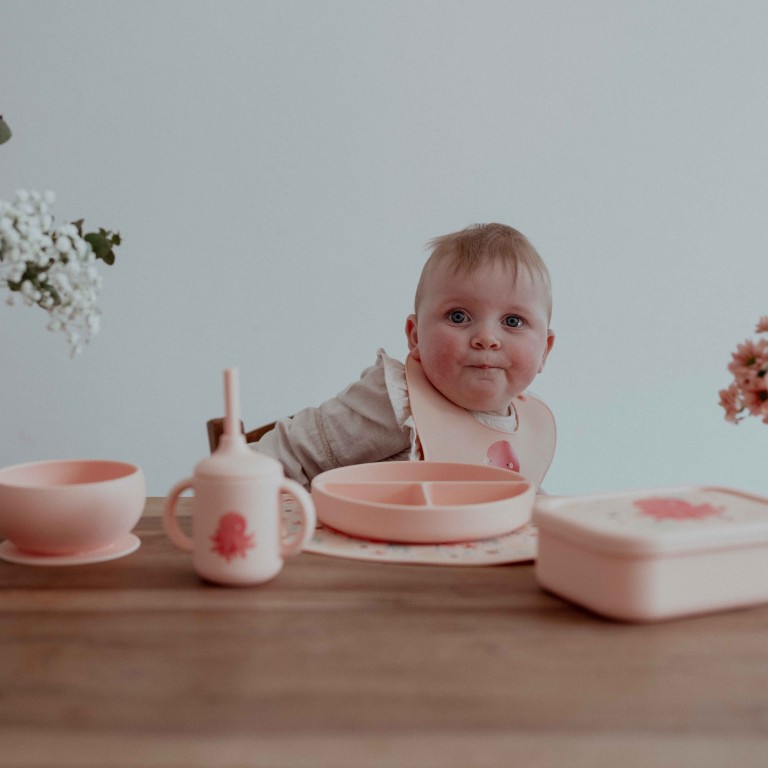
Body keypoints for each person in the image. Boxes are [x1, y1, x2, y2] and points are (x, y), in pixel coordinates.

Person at [251, 223, 556, 488]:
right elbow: (286, 455)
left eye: (513, 321)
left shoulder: (532, 424)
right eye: (459, 317)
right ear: (415, 336)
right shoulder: (399, 402)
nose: (486, 338)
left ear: (545, 350)